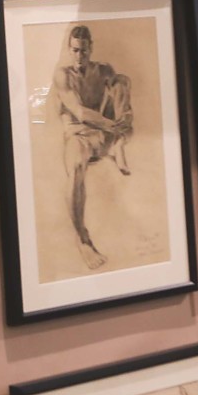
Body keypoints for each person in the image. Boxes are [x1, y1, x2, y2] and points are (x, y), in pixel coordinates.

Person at [53, 24, 134, 270]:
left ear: (91, 49)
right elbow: (78, 111)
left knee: (122, 80)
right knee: (76, 167)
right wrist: (113, 127)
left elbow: (121, 93)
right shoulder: (63, 75)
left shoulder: (103, 70)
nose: (80, 56)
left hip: (103, 133)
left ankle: (118, 143)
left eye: (84, 51)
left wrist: (120, 122)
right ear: (69, 50)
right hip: (79, 136)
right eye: (75, 51)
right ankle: (83, 239)